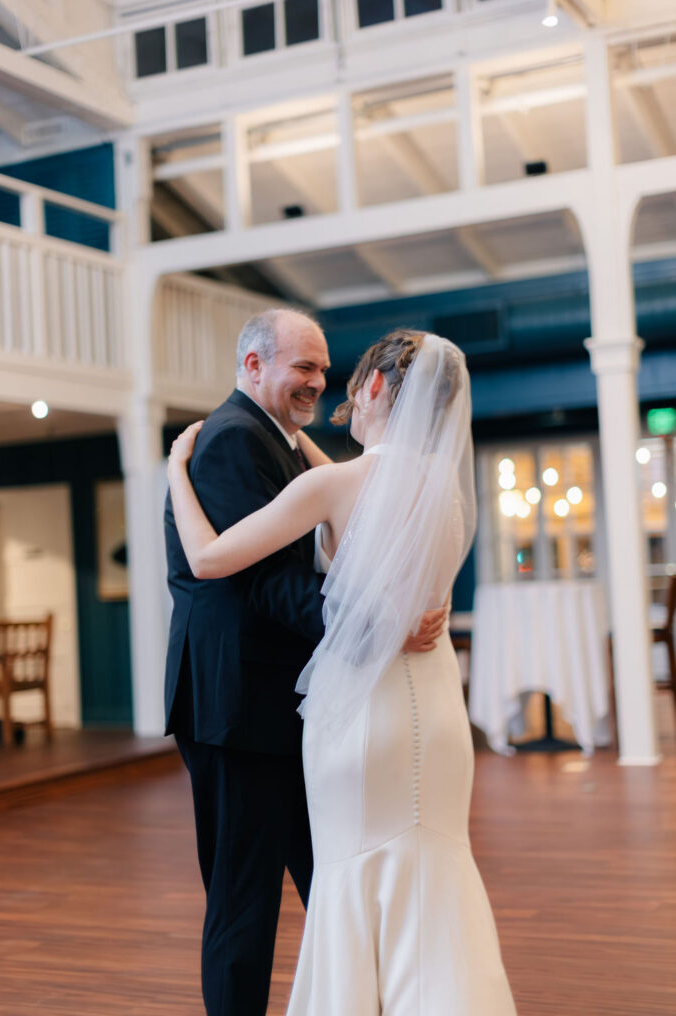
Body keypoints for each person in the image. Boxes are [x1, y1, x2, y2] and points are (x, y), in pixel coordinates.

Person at [163, 310, 446, 1016]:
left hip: (284, 705)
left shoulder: (283, 442)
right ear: (253, 365)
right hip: (235, 705)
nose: (318, 381)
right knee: (243, 898)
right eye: (304, 367)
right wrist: (373, 625)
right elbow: (257, 580)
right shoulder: (232, 441)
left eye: (323, 368)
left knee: (329, 876)